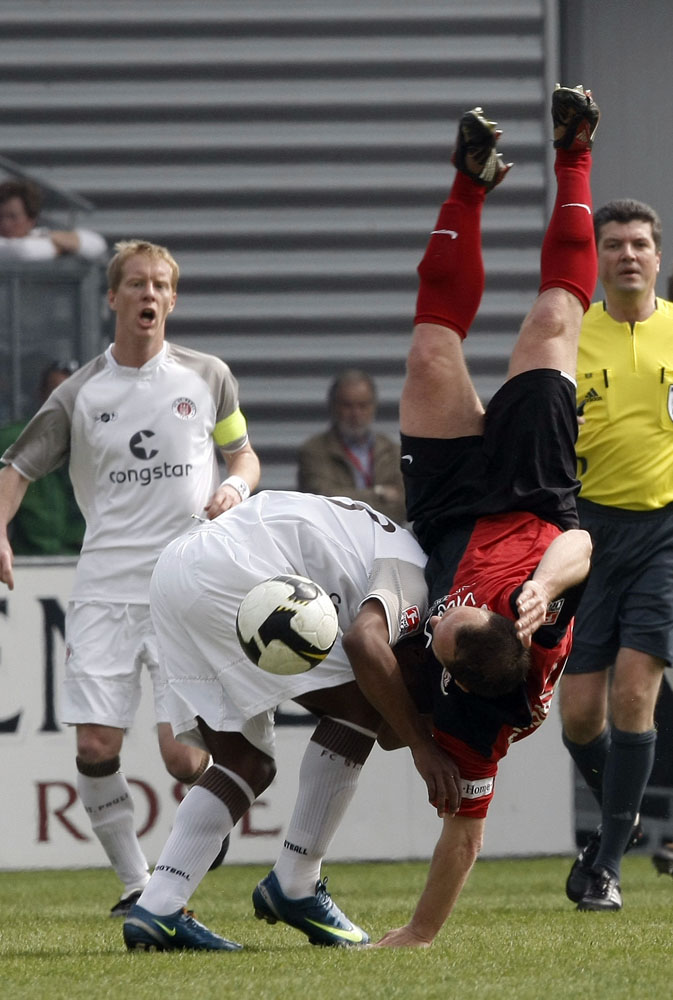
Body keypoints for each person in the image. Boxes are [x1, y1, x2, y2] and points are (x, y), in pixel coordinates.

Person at [360, 85, 598, 948]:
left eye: (441, 625)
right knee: (549, 322)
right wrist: (538, 584)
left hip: (454, 508)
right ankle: (574, 151)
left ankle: (468, 185)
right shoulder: (532, 638)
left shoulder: (465, 720)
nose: (442, 615)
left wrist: (418, 934)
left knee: (429, 350)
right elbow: (580, 542)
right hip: (537, 497)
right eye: (455, 617)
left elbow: (462, 826)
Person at [0, 239, 260, 916]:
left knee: (182, 759)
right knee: (94, 744)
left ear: (172, 300)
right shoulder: (80, 394)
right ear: (111, 298)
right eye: (136, 284)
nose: (148, 295)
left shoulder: (208, 377)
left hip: (183, 590)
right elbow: (16, 468)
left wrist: (234, 489)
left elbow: (243, 456)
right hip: (105, 590)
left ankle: (208, 811)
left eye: (160, 286)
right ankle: (136, 884)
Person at [120, 489, 460, 952]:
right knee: (363, 698)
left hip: (178, 570)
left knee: (245, 764)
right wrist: (424, 744)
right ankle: (296, 883)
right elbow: (366, 647)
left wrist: (410, 727)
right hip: (229, 571)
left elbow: (389, 726)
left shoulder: (388, 550)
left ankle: (157, 910)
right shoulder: (416, 575)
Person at [558, 198, 673, 909]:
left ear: (656, 256)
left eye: (639, 243)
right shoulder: (570, 337)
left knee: (634, 692)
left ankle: (604, 865)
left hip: (661, 531)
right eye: (613, 244)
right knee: (576, 715)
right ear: (596, 258)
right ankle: (617, 825)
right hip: (588, 534)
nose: (627, 254)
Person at [297, 369, 406, 524]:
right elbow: (323, 501)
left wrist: (351, 500)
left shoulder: (392, 451)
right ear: (333, 406)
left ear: (373, 406)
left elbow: (404, 504)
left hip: (386, 539)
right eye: (347, 406)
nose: (356, 413)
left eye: (363, 406)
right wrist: (379, 493)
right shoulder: (314, 451)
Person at [0, 360, 85, 555]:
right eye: (58, 395)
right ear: (41, 396)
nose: (67, 405)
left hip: (88, 561)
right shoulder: (14, 441)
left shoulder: (103, 444)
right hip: (27, 565)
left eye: (75, 396)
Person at [0, 178, 107, 262]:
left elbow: (97, 244)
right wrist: (59, 248)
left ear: (31, 220)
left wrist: (51, 237)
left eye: (13, 217)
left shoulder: (40, 236)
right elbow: (21, 252)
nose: (5, 223)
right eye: (0, 216)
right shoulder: (46, 240)